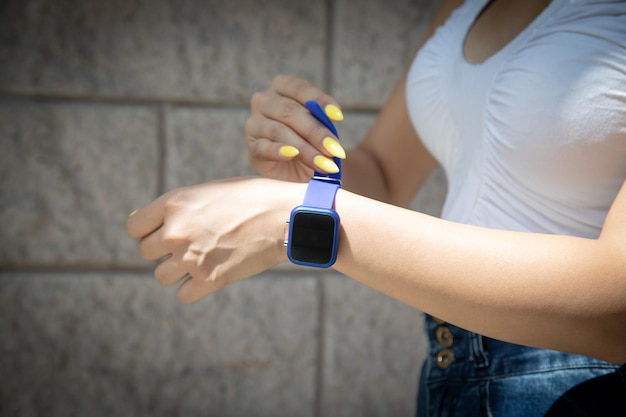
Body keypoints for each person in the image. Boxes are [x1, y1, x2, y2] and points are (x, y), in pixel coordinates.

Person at [127, 0, 626, 415]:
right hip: (452, 370)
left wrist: (293, 217)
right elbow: (385, 172)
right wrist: (310, 174)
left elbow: (616, 309)